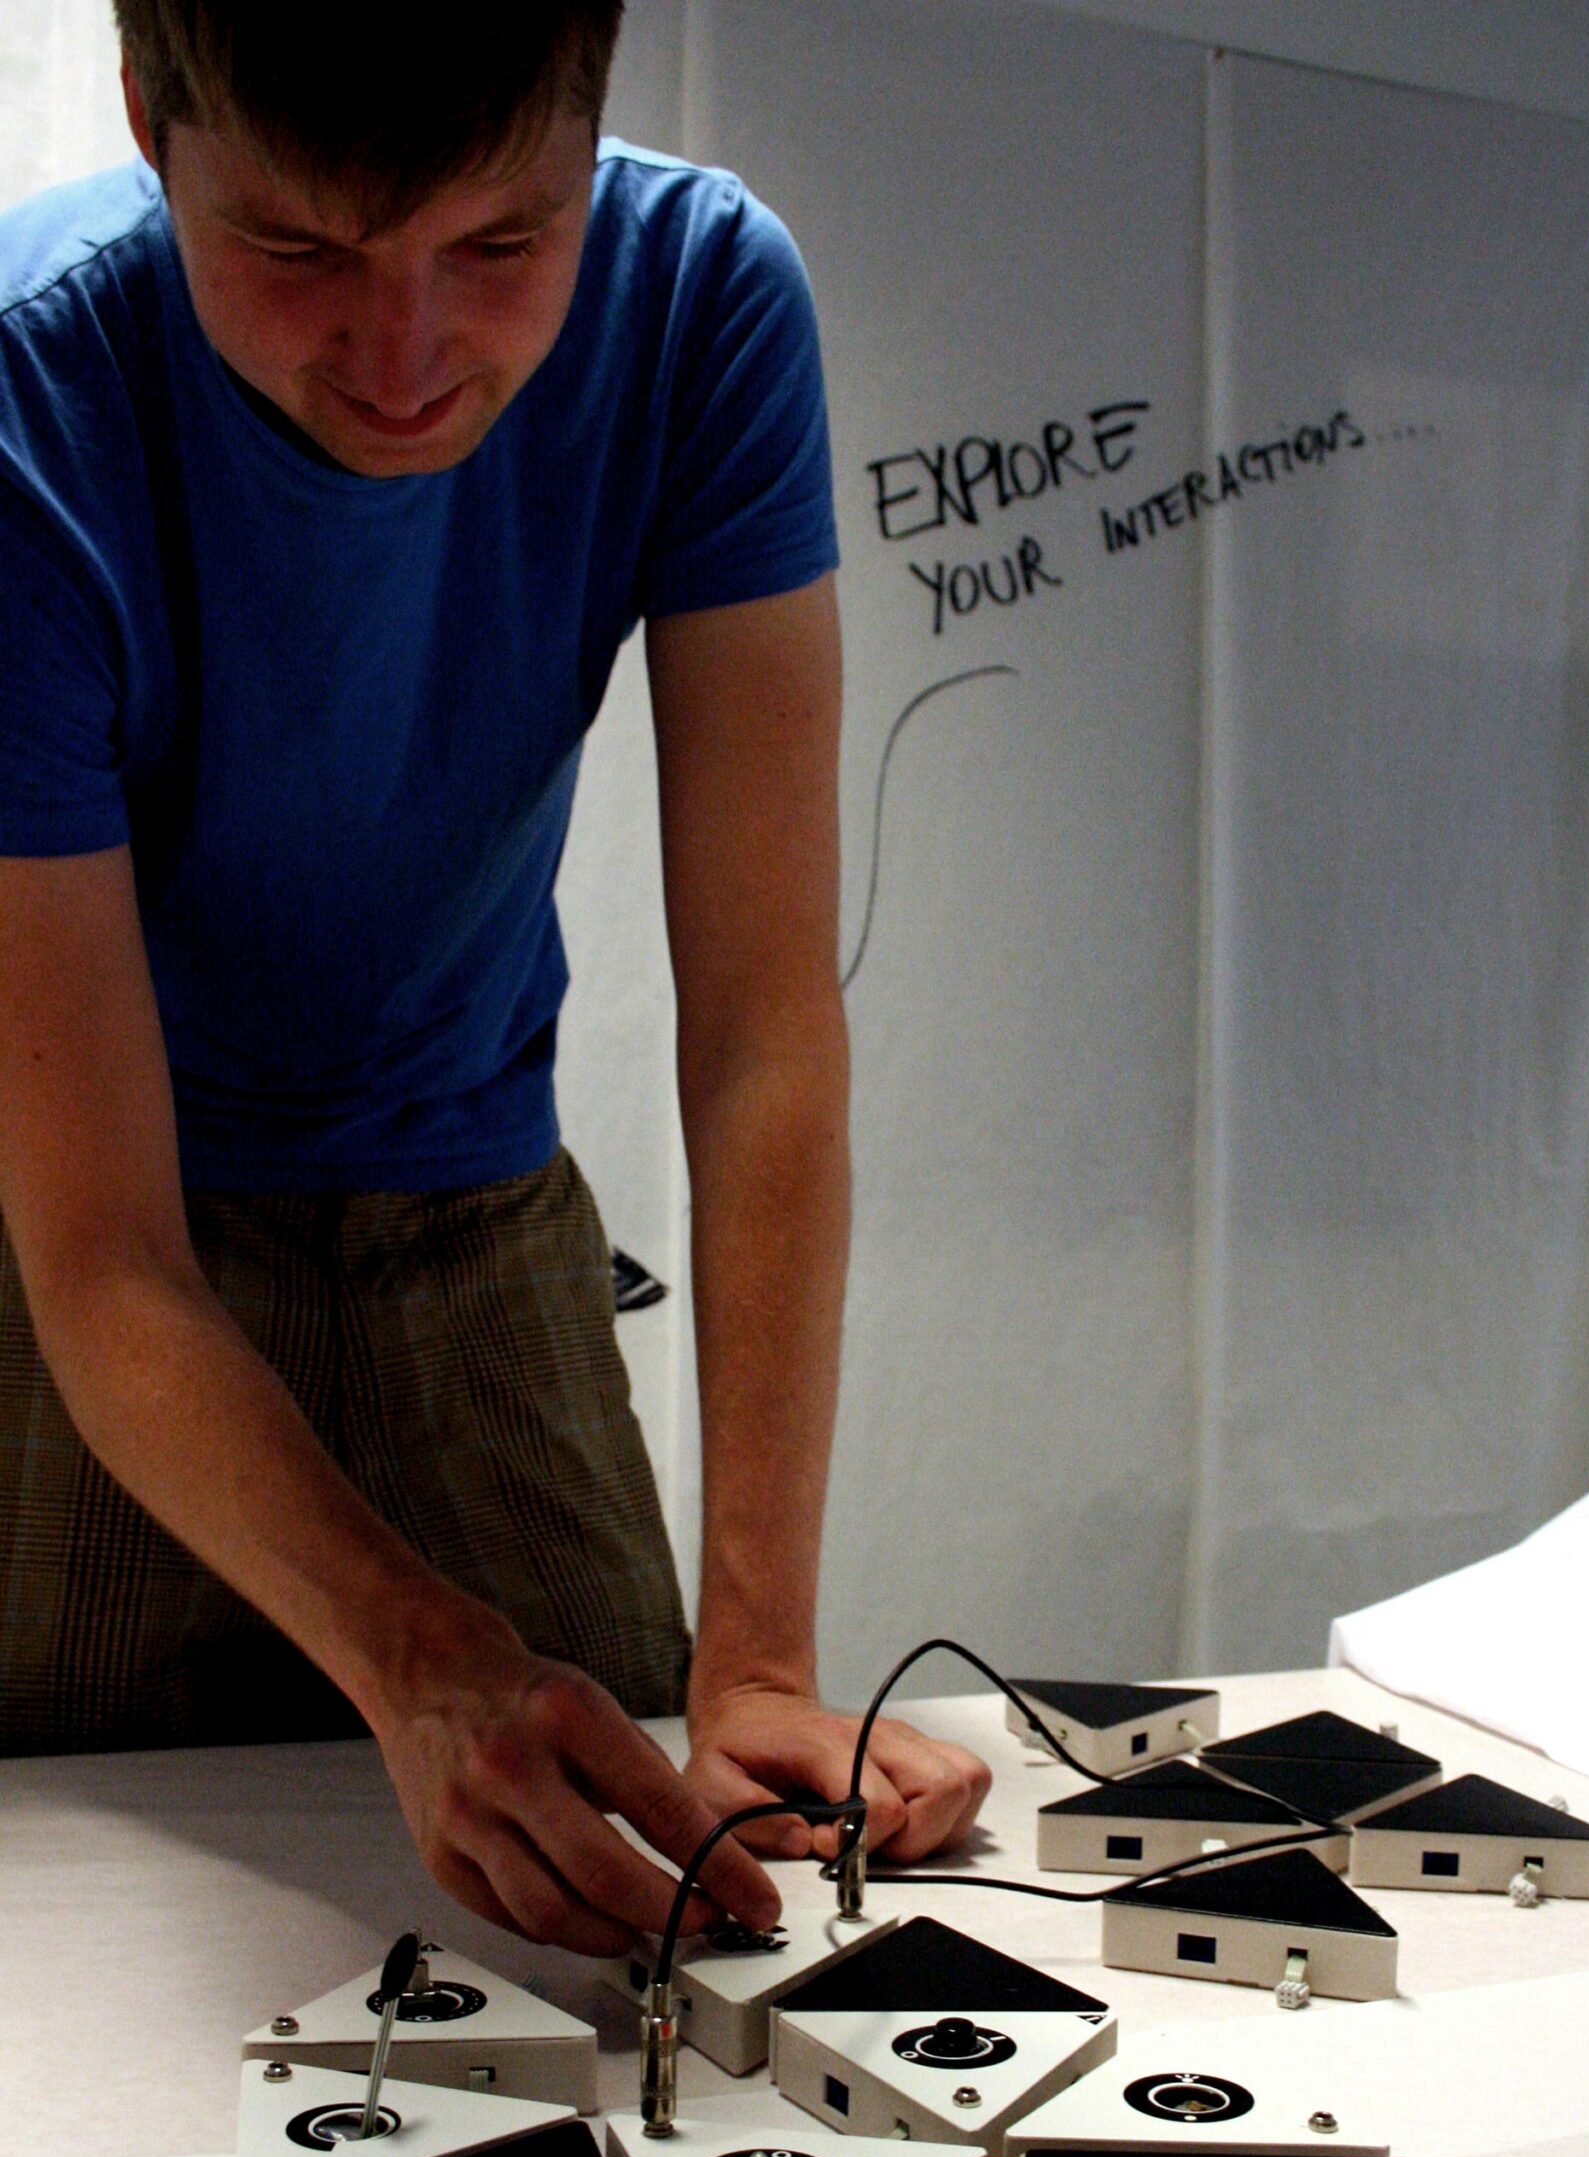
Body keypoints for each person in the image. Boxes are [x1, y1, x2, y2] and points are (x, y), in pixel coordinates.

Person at [0, 1, 989, 1951]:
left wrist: (764, 1655)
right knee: (71, 1921)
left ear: (590, 118)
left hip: (480, 1212)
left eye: (500, 245)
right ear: (148, 110)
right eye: (295, 249)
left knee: (656, 1855)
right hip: (107, 1255)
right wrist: (409, 1649)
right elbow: (105, 1251)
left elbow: (770, 1026)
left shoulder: (701, 296)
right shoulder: (32, 397)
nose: (404, 357)